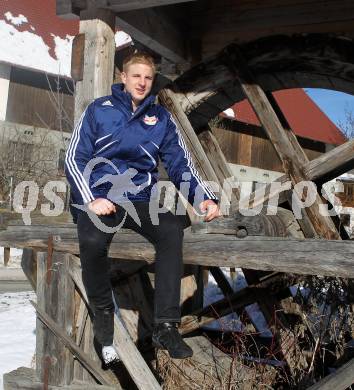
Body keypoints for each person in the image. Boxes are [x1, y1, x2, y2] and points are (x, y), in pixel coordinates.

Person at [65, 52, 220, 365]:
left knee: (173, 227)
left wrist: (201, 196)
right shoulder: (99, 110)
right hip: (98, 195)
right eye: (136, 76)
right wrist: (91, 198)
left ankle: (165, 325)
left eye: (147, 78)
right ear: (124, 77)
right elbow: (74, 158)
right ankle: (104, 323)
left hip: (140, 199)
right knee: (94, 242)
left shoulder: (161, 118)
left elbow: (179, 163)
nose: (141, 83)